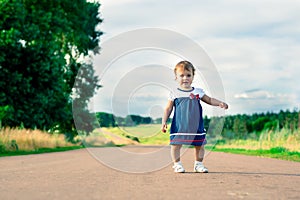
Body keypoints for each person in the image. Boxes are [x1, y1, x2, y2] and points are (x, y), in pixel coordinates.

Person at [161, 60, 228, 173]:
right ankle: (177, 164)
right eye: (181, 75)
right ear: (176, 77)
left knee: (200, 145)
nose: (185, 78)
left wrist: (220, 103)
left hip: (196, 125)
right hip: (180, 125)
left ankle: (199, 164)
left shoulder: (198, 92)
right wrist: (164, 121)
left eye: (188, 75)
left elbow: (209, 100)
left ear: (193, 76)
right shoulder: (174, 92)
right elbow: (168, 108)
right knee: (176, 145)